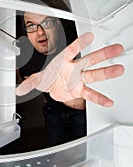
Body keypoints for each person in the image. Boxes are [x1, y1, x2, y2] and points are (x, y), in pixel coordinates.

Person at [16, 12, 124, 147]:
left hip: (83, 113)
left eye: (47, 23)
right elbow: (25, 82)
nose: (40, 32)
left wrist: (78, 102)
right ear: (26, 33)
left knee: (84, 152)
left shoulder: (76, 40)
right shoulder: (26, 58)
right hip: (53, 113)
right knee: (56, 155)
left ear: (57, 24)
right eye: (31, 26)